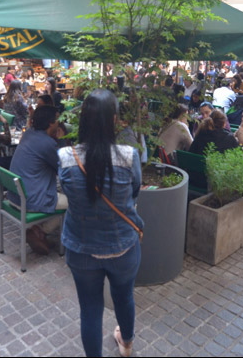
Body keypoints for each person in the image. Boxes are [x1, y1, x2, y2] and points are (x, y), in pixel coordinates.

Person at [57, 89, 143, 358]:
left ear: (83, 118)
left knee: (90, 309)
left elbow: (68, 193)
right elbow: (135, 191)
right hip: (123, 247)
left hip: (81, 249)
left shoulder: (65, 157)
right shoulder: (129, 156)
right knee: (124, 296)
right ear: (114, 120)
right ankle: (126, 344)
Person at [9, 105, 67, 255]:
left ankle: (40, 232)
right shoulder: (47, 143)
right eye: (58, 119)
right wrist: (61, 141)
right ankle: (39, 231)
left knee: (60, 187)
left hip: (16, 195)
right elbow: (64, 166)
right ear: (50, 123)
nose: (60, 122)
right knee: (75, 200)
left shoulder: (29, 133)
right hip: (31, 199)